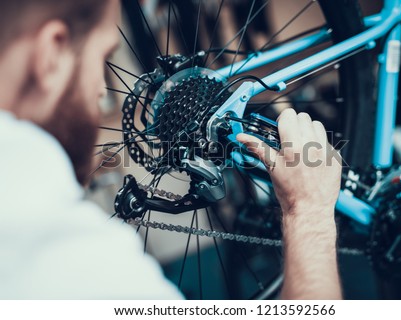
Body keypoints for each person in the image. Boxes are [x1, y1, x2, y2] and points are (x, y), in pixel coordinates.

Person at [0, 0, 342, 299]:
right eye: (102, 57)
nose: (100, 89)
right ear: (52, 52)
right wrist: (310, 213)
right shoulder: (71, 263)